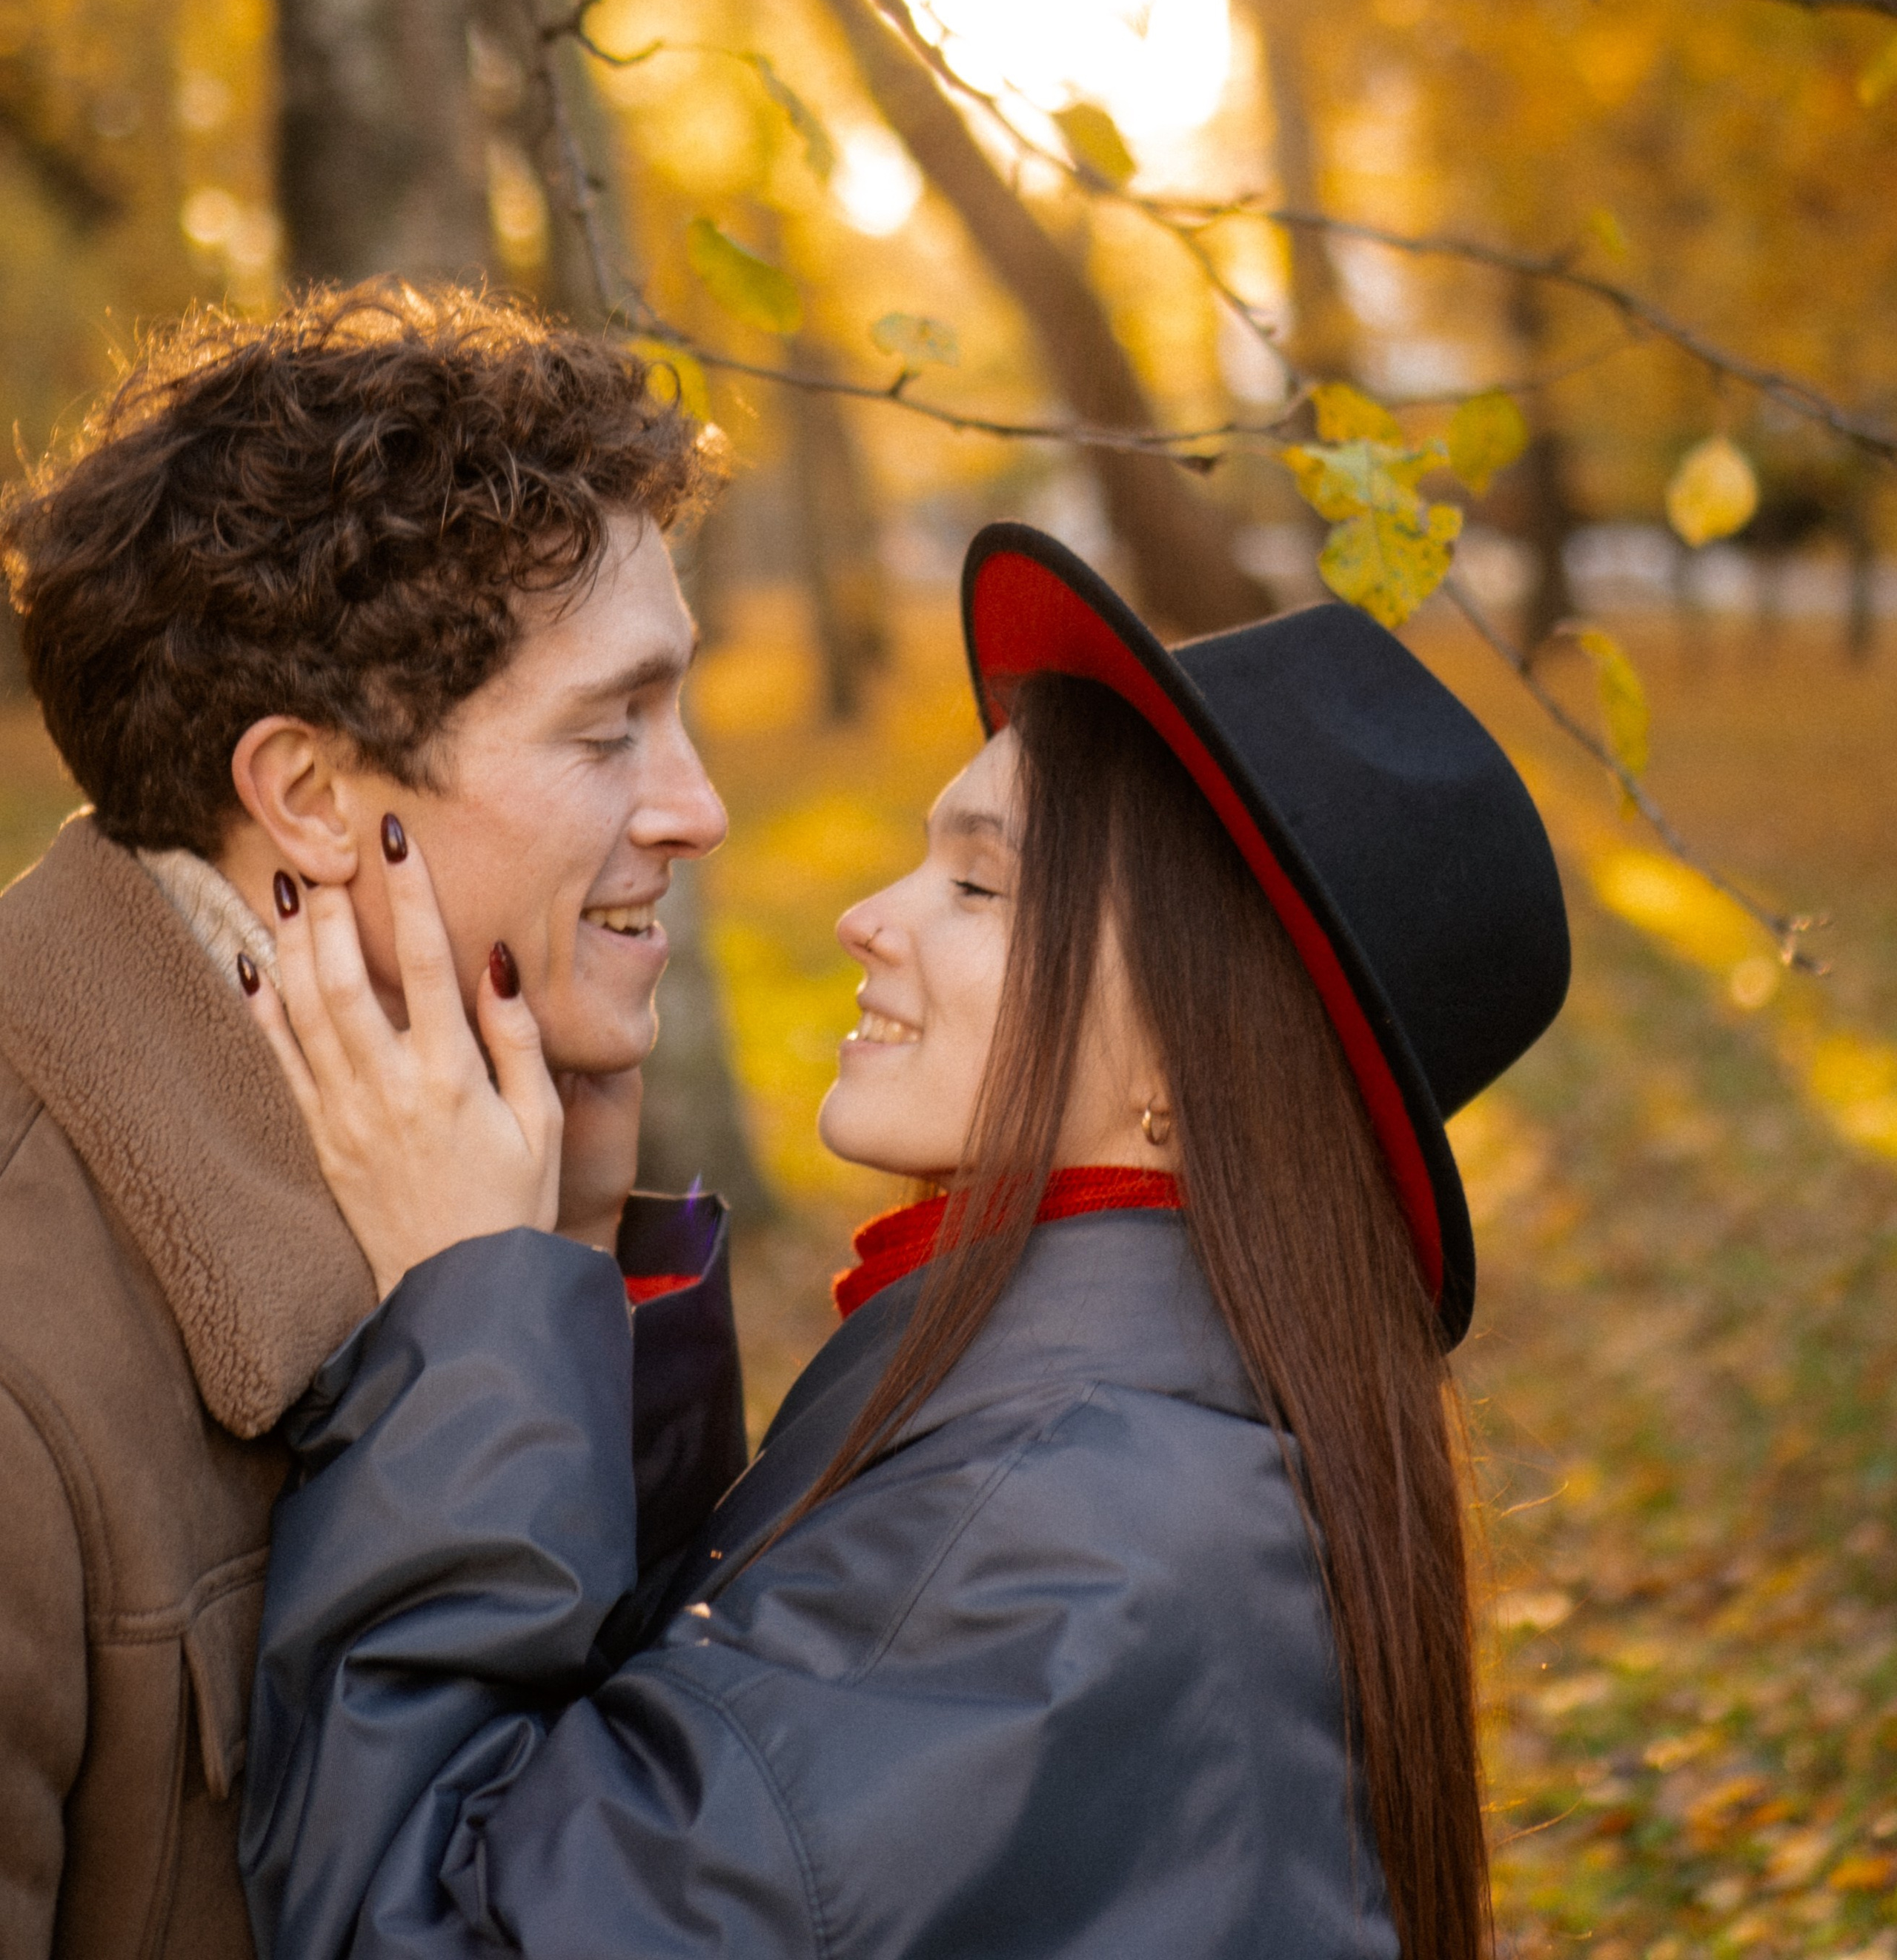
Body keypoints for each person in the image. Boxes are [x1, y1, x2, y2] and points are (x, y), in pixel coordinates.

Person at [239, 520, 1572, 1960]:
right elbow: (707, 1753)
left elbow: (429, 1929)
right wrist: (570, 1252)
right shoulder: (1130, 1428)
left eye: (979, 887)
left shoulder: (1045, 1538)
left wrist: (468, 1314)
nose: (864, 916)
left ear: (1190, 1065)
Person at [0, 285, 740, 1960]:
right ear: (314, 800)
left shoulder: (499, 1170)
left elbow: (625, 1839)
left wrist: (561, 1277)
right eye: (608, 730)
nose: (694, 809)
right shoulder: (25, 1349)